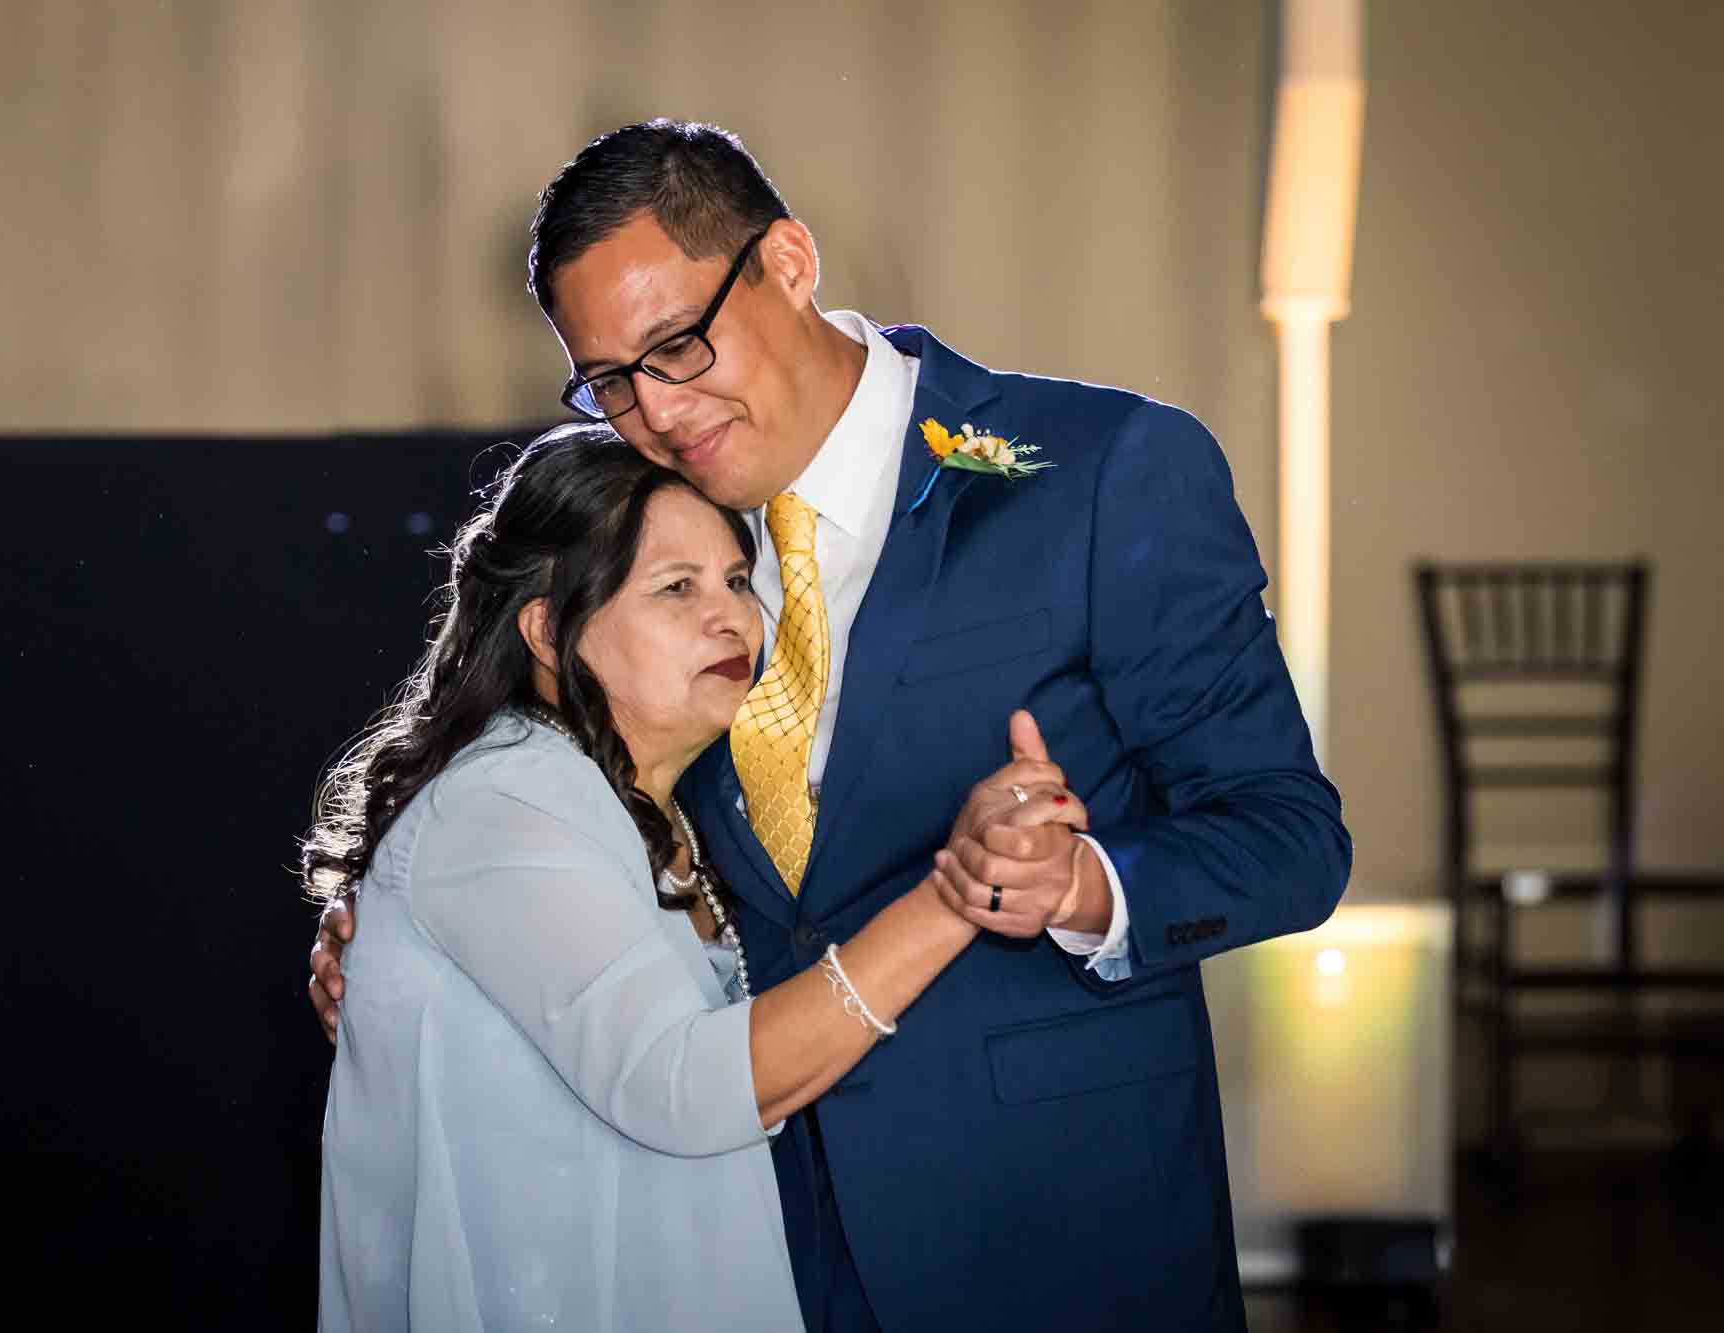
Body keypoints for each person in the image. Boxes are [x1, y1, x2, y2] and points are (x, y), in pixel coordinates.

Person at [311, 120, 1352, 1332]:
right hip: (753, 1242)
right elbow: (578, 824)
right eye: (608, 380)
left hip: (1058, 1237)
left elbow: (1288, 840)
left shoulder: (1099, 470)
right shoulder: (651, 532)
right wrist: (414, 950)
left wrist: (1081, 883)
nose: (654, 408)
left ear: (790, 264)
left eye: (677, 346)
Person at [307, 426, 1083, 1331]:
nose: (734, 618)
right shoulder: (504, 801)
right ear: (549, 630)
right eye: (676, 588)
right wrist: (961, 890)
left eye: (735, 580)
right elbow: (684, 1084)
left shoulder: (672, 803)